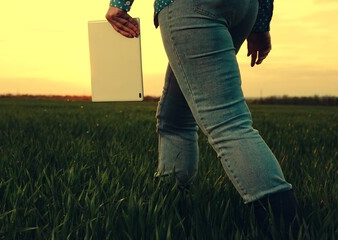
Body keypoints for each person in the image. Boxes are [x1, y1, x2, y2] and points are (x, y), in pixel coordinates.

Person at [106, 0, 298, 237]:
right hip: (244, 8)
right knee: (175, 117)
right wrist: (260, 24)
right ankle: (172, 199)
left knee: (228, 123)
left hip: (191, 7)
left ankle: (285, 226)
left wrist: (119, 3)